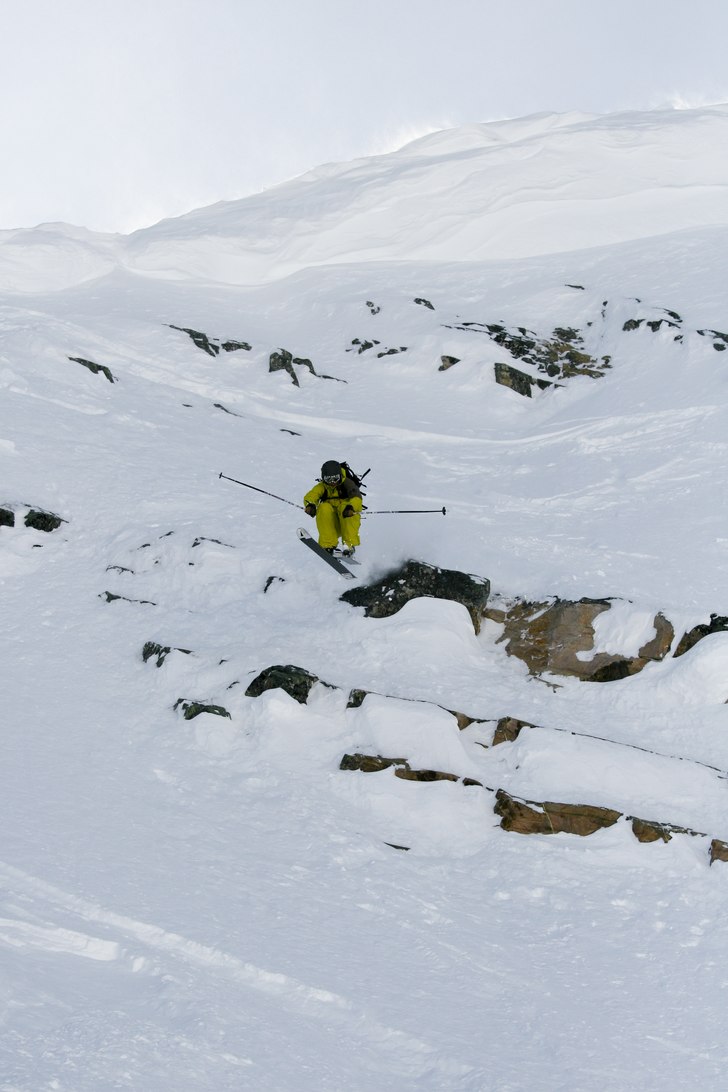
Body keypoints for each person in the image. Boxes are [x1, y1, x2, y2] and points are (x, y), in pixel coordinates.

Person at [304, 460, 362, 556]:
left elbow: (357, 498)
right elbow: (312, 495)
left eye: (335, 478)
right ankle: (328, 545)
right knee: (323, 507)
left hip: (346, 520)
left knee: (345, 507)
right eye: (328, 479)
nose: (332, 482)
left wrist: (350, 507)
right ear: (323, 478)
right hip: (333, 524)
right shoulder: (322, 486)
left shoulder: (347, 483)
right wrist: (310, 505)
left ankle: (349, 545)